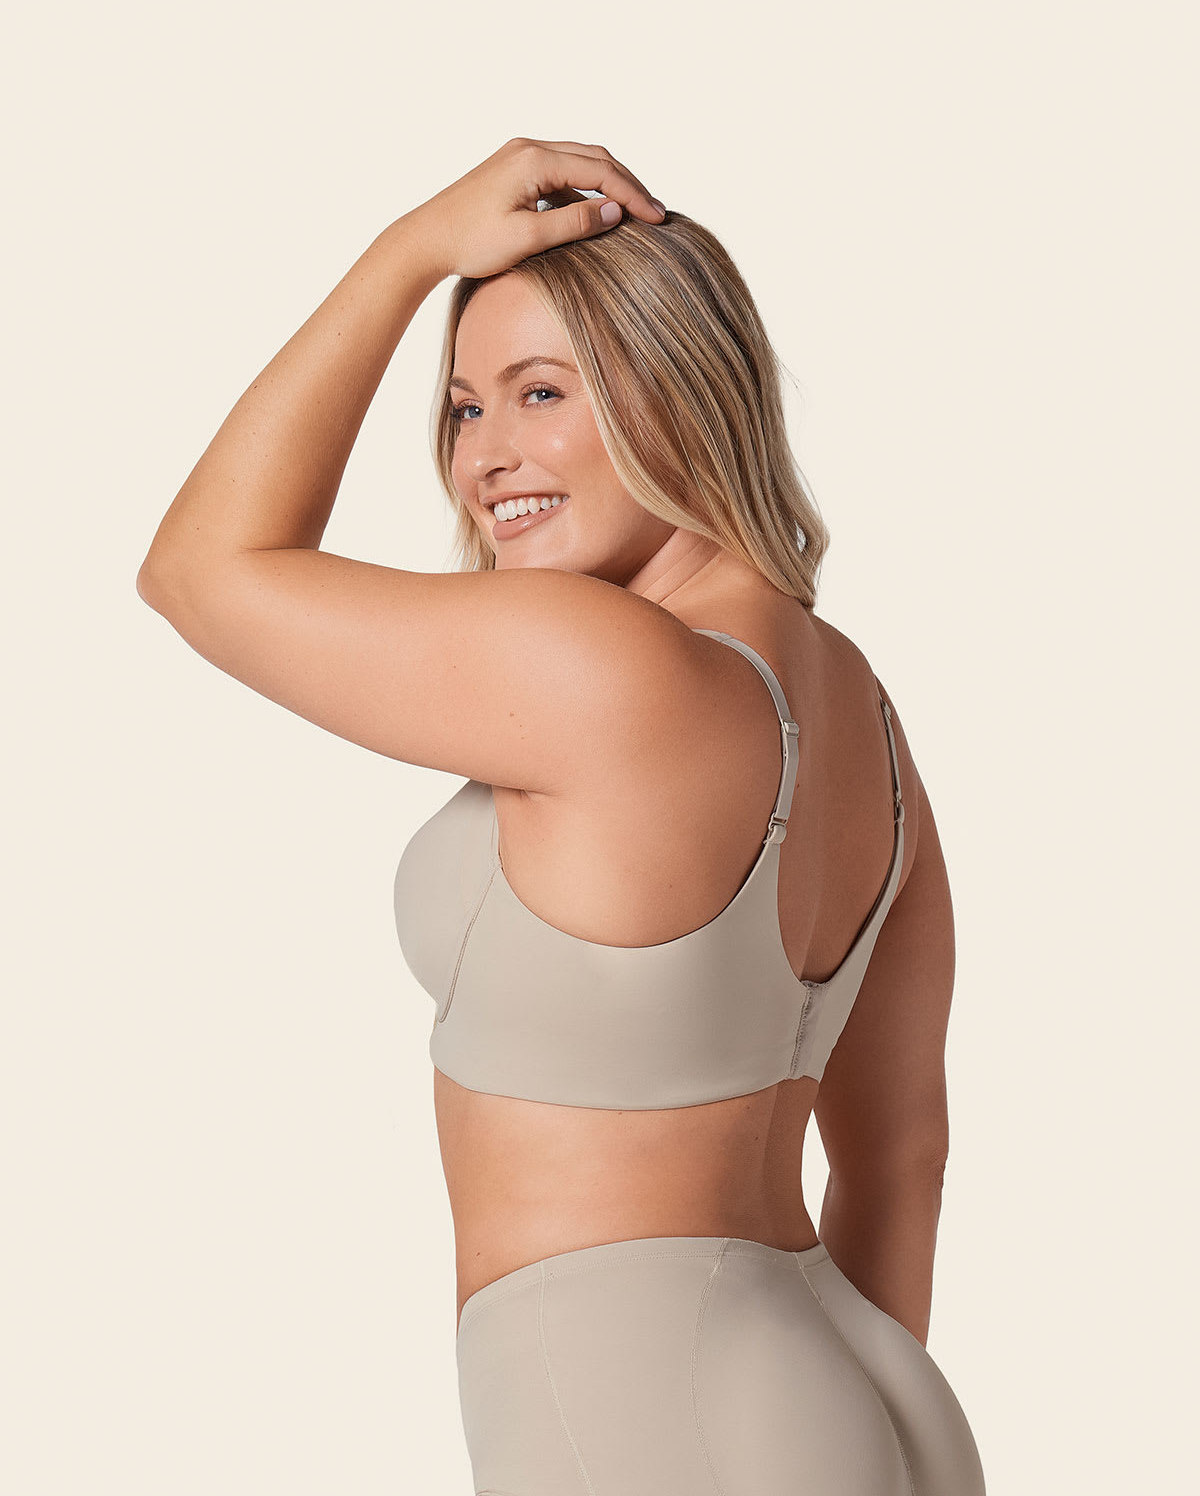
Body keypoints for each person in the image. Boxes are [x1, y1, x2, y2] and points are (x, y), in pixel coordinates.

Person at [137, 136, 986, 1494]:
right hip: (855, 1382)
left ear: (679, 385)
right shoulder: (861, 713)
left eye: (541, 392)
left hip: (638, 1401)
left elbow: (200, 570)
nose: (486, 457)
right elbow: (902, 1153)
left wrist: (414, 249)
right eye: (464, 409)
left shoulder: (595, 665)